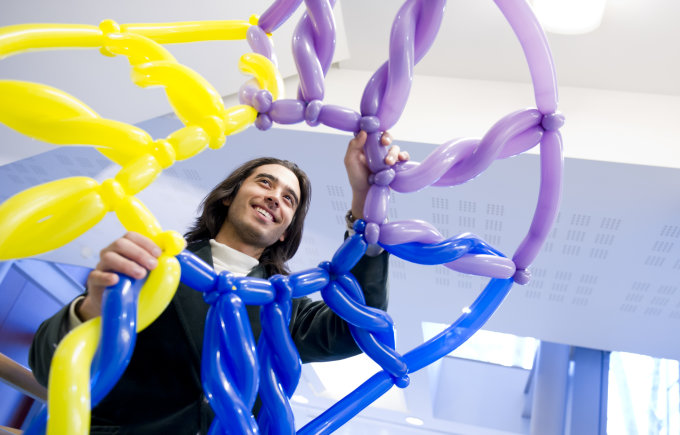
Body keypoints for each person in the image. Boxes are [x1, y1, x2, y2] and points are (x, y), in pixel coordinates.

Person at [29, 131, 409, 434]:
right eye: (265, 182)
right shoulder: (156, 265)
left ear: (283, 233)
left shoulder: (286, 307)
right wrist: (93, 309)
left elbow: (356, 327)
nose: (275, 197)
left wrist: (366, 200)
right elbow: (52, 366)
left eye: (289, 199)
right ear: (230, 197)